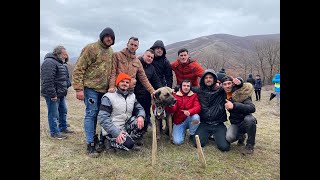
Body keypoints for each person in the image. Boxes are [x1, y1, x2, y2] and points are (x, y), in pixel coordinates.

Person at [72, 27, 115, 157]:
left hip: (104, 90)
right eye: (107, 36)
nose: (109, 39)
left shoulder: (111, 51)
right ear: (102, 36)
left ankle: (99, 139)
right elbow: (79, 68)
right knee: (91, 114)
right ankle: (90, 143)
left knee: (102, 115)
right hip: (90, 89)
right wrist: (79, 88)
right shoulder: (91, 48)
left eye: (111, 37)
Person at [191, 69, 242, 152]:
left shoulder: (221, 90)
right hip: (205, 123)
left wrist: (240, 81)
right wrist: (173, 89)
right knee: (198, 144)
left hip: (218, 124)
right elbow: (186, 87)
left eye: (210, 77)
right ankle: (208, 135)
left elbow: (235, 86)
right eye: (206, 78)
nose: (208, 79)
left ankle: (215, 135)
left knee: (225, 147)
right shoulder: (199, 91)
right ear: (203, 80)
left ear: (214, 79)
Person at [98, 73, 146, 151]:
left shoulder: (132, 96)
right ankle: (108, 141)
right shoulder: (109, 97)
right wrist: (116, 133)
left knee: (143, 120)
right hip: (113, 127)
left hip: (125, 124)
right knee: (129, 145)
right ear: (118, 83)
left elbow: (139, 108)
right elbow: (103, 118)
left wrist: (140, 116)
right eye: (122, 81)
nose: (125, 84)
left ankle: (128, 139)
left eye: (127, 82)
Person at [41, 45, 74, 139]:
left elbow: (64, 77)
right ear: (58, 53)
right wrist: (52, 94)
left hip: (60, 93)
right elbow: (47, 80)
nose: (66, 56)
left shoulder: (61, 63)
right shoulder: (49, 62)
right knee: (53, 114)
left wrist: (67, 85)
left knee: (63, 111)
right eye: (64, 54)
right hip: (53, 94)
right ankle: (54, 133)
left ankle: (62, 128)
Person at [222, 76, 257, 154]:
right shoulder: (223, 95)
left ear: (233, 84)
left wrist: (234, 105)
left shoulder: (242, 94)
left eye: (229, 83)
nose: (227, 86)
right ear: (222, 86)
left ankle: (250, 144)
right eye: (225, 84)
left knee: (250, 119)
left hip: (246, 121)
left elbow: (252, 108)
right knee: (229, 138)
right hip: (235, 123)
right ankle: (241, 136)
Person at [134, 49, 162, 139]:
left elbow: (156, 80)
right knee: (134, 115)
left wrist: (161, 89)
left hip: (146, 95)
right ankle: (132, 133)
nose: (150, 58)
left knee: (146, 114)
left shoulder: (151, 68)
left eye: (152, 57)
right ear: (143, 55)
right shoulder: (135, 63)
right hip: (134, 94)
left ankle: (141, 134)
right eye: (148, 56)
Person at [166, 79, 201, 145]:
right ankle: (182, 132)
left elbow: (198, 107)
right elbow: (173, 110)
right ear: (181, 86)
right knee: (177, 142)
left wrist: (189, 111)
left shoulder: (194, 95)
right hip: (179, 121)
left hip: (190, 118)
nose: (186, 87)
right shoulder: (175, 95)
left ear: (190, 87)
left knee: (196, 117)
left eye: (188, 86)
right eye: (184, 85)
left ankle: (192, 134)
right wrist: (170, 105)